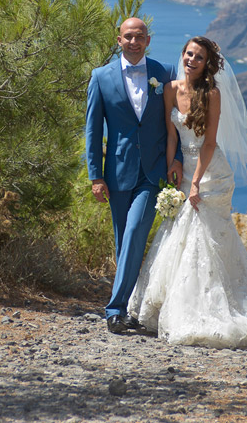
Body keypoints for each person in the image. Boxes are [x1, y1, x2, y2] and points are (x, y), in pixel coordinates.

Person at [127, 36, 247, 348]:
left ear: (206, 63)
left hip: (211, 173)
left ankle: (213, 308)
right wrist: (174, 163)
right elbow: (171, 133)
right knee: (179, 235)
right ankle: (168, 306)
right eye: (188, 54)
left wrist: (196, 181)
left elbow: (210, 142)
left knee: (206, 238)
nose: (191, 60)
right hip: (184, 168)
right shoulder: (171, 89)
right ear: (182, 55)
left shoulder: (211, 93)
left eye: (199, 57)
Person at [85, 17, 183, 334]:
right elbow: (92, 130)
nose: (134, 41)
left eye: (139, 36)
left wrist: (178, 159)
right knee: (122, 241)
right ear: (119, 40)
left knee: (135, 229)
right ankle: (130, 307)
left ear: (148, 40)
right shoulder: (100, 78)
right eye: (128, 36)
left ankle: (113, 311)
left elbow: (178, 122)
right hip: (116, 170)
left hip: (152, 171)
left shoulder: (165, 73)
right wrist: (95, 176)